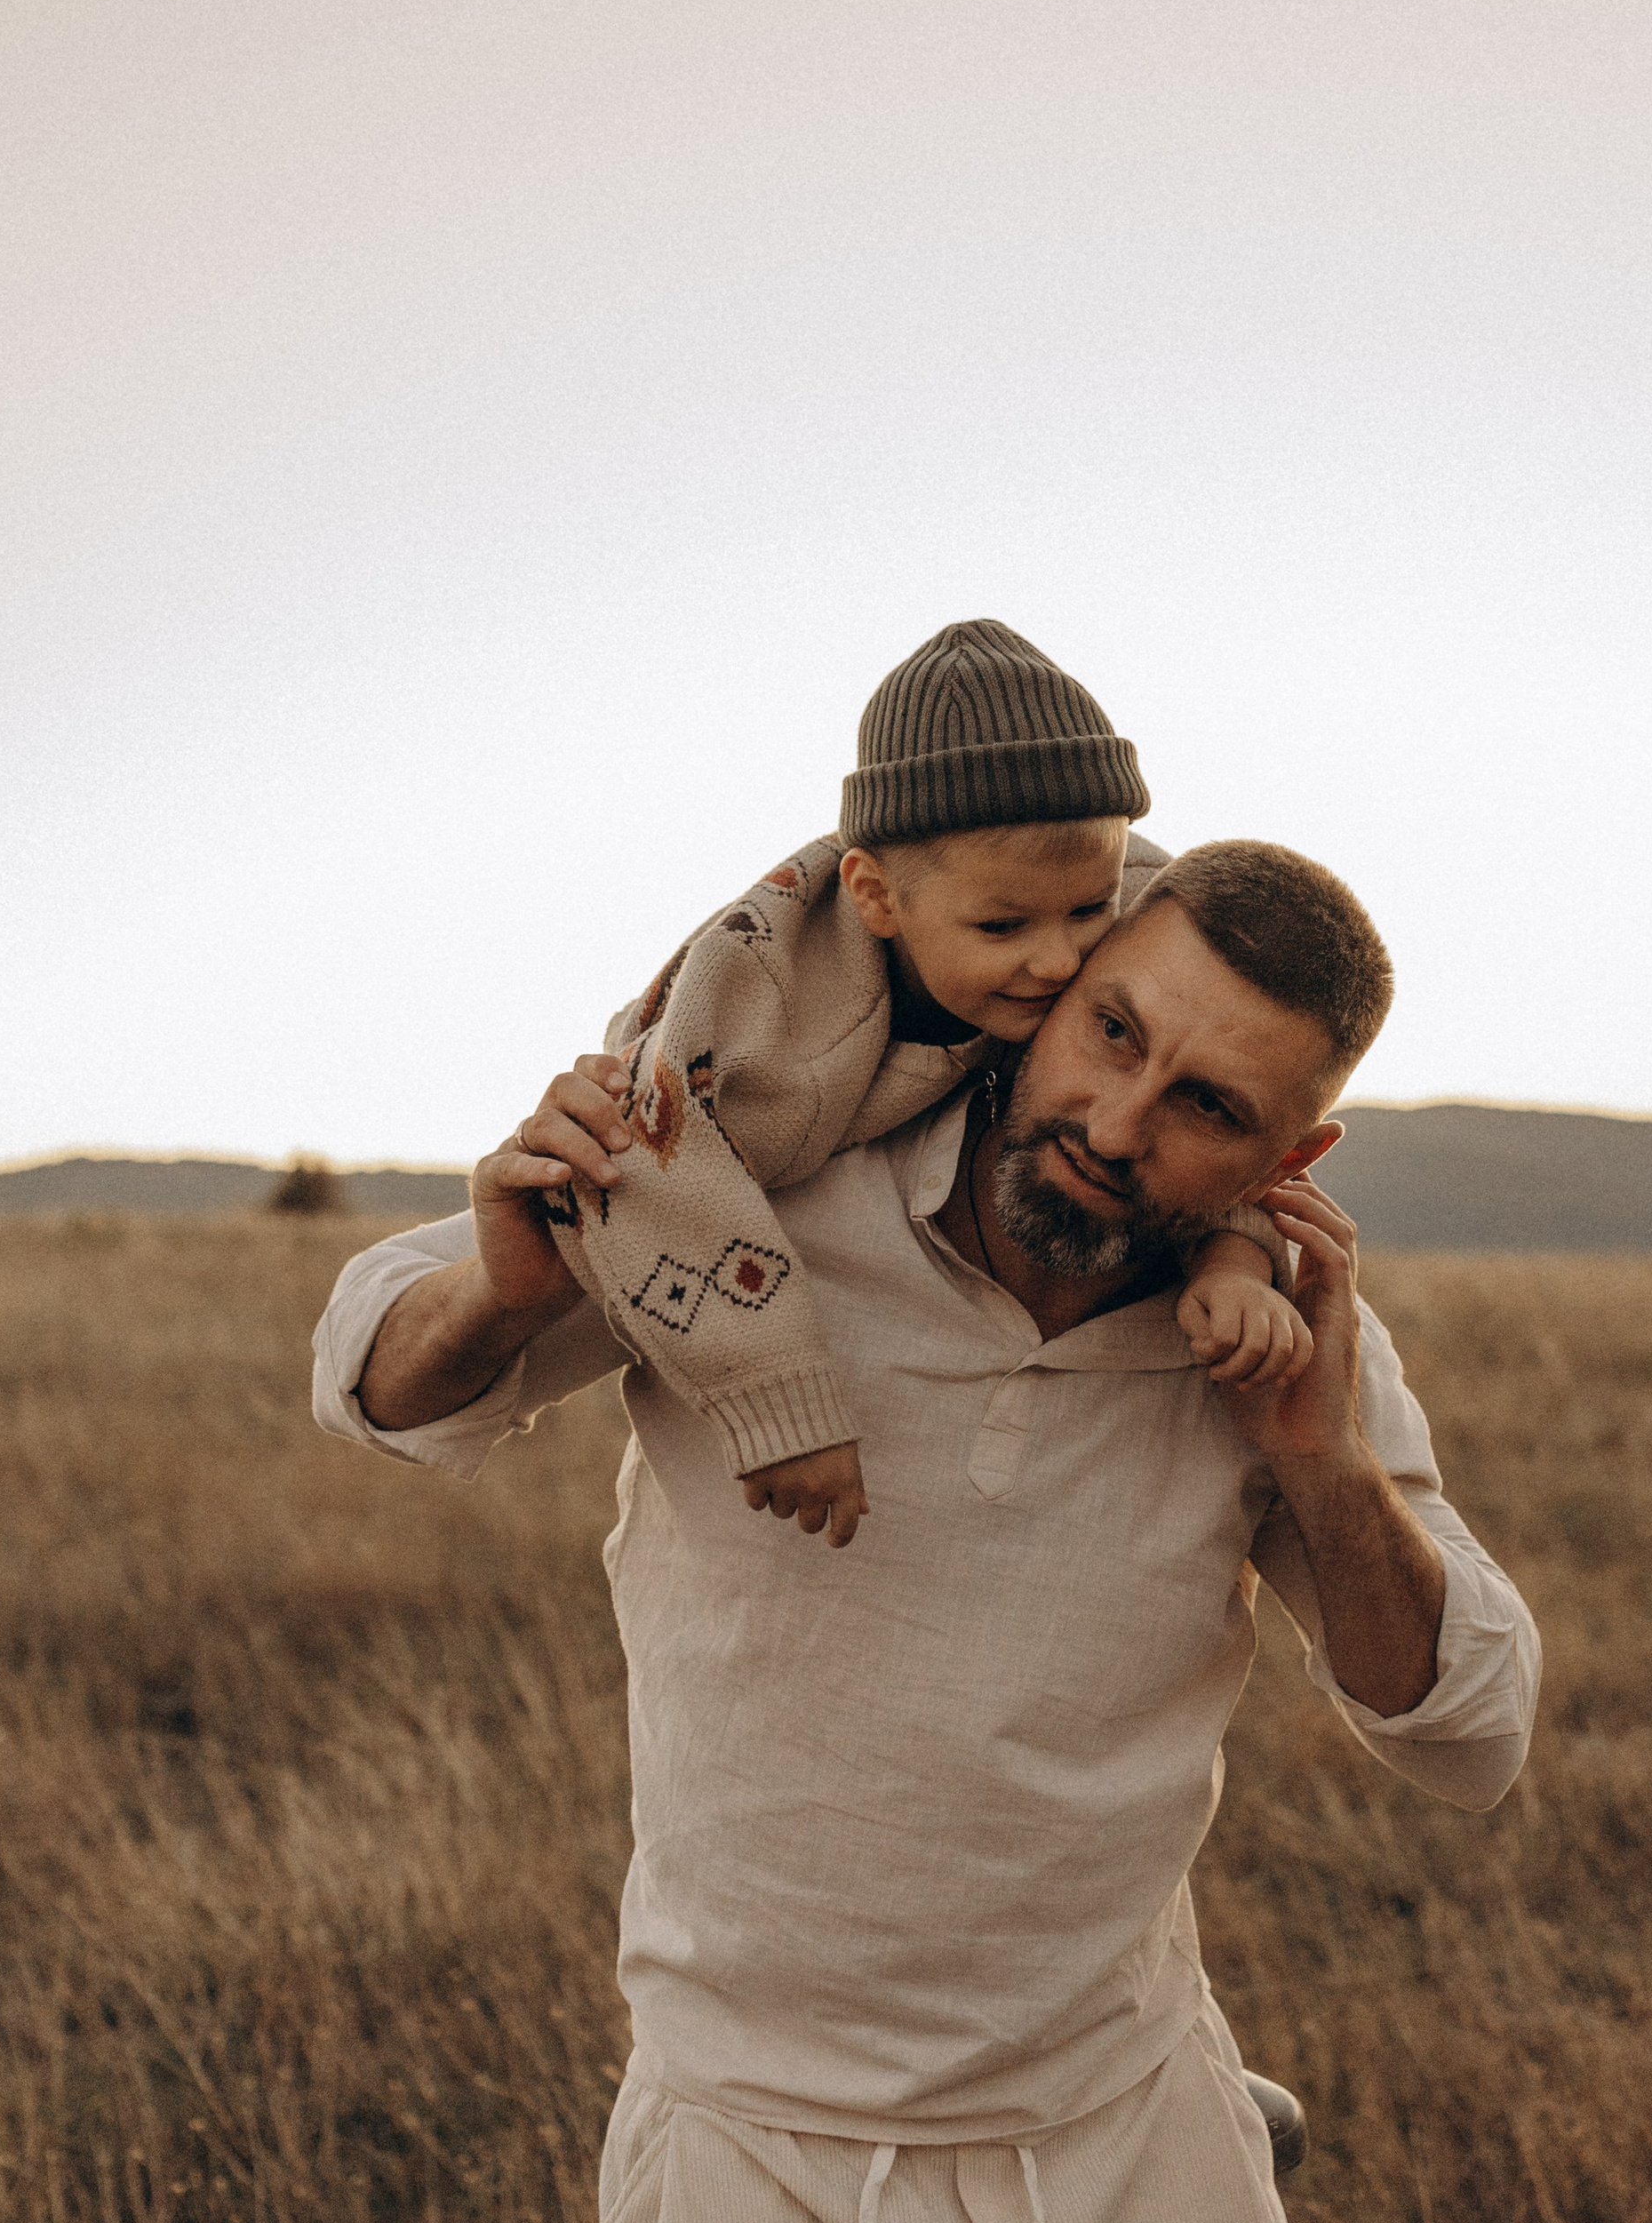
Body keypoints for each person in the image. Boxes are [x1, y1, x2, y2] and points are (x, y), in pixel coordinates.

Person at [311, 834, 1540, 2223]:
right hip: (761, 2161)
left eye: (1205, 1107)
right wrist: (503, 1282)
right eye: (1109, 1032)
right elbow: (383, 1374)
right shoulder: (744, 1205)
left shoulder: (1277, 1338)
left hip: (1125, 2148)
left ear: (1291, 1144)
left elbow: (1466, 1726)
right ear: (1044, 985)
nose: (1115, 1118)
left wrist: (1322, 1460)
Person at [539, 615, 1305, 1547]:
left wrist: (1237, 1260)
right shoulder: (762, 1015)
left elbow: (1234, 1105)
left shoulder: (1136, 907)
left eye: (1086, 911)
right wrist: (781, 1411)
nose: (1060, 960)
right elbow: (650, 1172)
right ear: (875, 896)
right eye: (1002, 929)